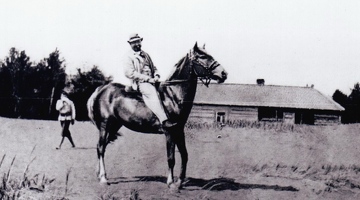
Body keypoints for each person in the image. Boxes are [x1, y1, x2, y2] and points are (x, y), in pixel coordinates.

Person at [124, 33, 176, 128]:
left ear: (141, 42)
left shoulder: (146, 55)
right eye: (133, 43)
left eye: (138, 42)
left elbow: (154, 67)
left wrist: (156, 75)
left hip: (152, 80)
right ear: (130, 44)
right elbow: (129, 73)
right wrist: (148, 79)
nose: (136, 44)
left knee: (166, 89)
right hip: (141, 83)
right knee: (152, 93)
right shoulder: (129, 57)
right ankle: (164, 120)